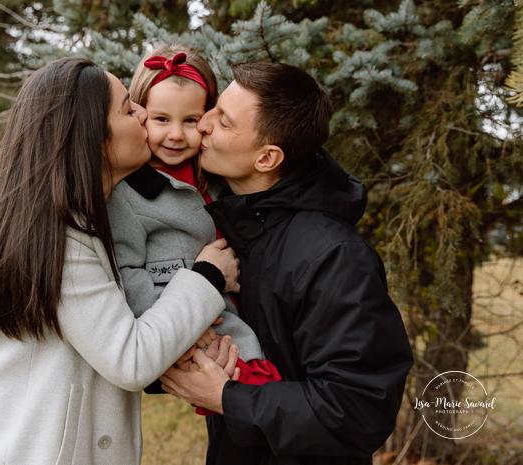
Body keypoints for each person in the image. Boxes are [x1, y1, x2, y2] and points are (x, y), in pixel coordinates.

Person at [0, 56, 241, 465]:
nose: (142, 114)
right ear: (94, 138)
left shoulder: (84, 219)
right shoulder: (60, 241)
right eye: (128, 108)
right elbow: (131, 358)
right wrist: (208, 276)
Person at [159, 61, 414, 464]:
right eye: (214, 108)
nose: (202, 124)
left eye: (223, 122)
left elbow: (357, 408)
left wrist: (227, 397)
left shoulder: (334, 257)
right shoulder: (228, 227)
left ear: (267, 158)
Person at [107, 44, 280, 408]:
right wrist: (170, 326)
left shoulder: (215, 177)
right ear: (140, 115)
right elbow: (126, 271)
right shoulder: (132, 193)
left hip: (231, 305)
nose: (175, 135)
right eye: (161, 119)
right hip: (183, 321)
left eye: (190, 121)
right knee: (251, 386)